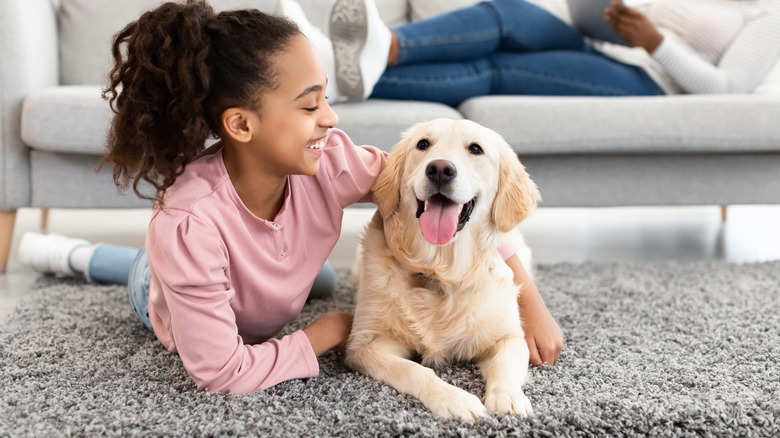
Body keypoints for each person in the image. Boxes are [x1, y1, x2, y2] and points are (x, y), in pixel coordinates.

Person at [17, 0, 563, 394]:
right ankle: (74, 255)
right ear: (241, 124)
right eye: (309, 106)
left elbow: (460, 200)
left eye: (326, 98)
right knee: (143, 275)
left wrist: (528, 302)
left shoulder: (330, 159)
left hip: (267, 287)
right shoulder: (188, 227)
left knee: (319, 281)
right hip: (165, 280)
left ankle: (100, 258)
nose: (330, 118)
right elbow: (221, 373)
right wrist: (323, 332)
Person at [315, 0, 780, 106]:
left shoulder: (769, 13)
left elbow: (728, 87)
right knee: (508, 12)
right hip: (606, 46)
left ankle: (325, 76)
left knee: (496, 69)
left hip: (652, 81)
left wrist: (654, 41)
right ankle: (386, 47)